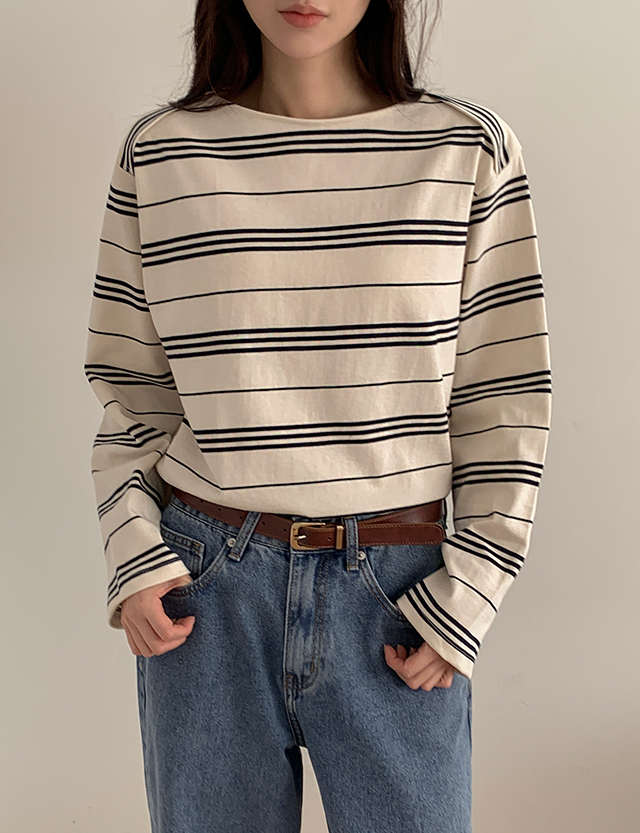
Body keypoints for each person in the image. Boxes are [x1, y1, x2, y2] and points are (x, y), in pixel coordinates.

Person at [84, 1, 552, 830]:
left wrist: (471, 591)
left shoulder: (466, 150)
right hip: (205, 593)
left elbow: (503, 395)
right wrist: (134, 551)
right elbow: (132, 393)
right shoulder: (161, 154)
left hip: (401, 595)